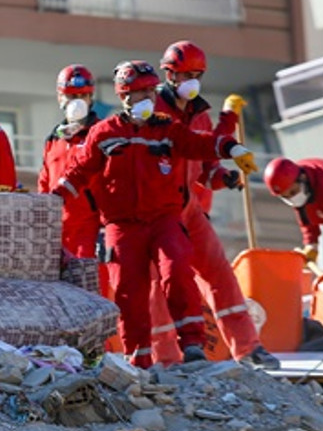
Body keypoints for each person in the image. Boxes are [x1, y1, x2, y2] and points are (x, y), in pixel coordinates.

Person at [54, 61, 253, 369]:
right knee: (129, 294)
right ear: (124, 95)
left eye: (150, 89)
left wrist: (229, 148)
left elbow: (197, 144)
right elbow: (78, 172)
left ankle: (193, 345)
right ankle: (139, 359)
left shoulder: (166, 129)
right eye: (140, 91)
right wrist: (52, 201)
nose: (148, 96)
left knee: (177, 271)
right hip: (122, 227)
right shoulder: (104, 133)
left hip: (164, 220)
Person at [147, 40, 277, 368]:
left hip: (189, 210)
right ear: (169, 74)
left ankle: (248, 349)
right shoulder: (151, 112)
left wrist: (224, 178)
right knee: (160, 288)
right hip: (156, 213)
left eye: (197, 74)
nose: (191, 80)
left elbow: (205, 171)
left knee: (220, 274)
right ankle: (166, 357)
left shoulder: (200, 115)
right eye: (184, 74)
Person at [37, 65, 102, 259]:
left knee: (92, 286)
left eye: (83, 96)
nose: (77, 103)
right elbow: (44, 183)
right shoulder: (53, 139)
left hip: (91, 229)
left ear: (91, 98)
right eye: (71, 96)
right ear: (60, 97)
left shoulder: (101, 134)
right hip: (56, 232)